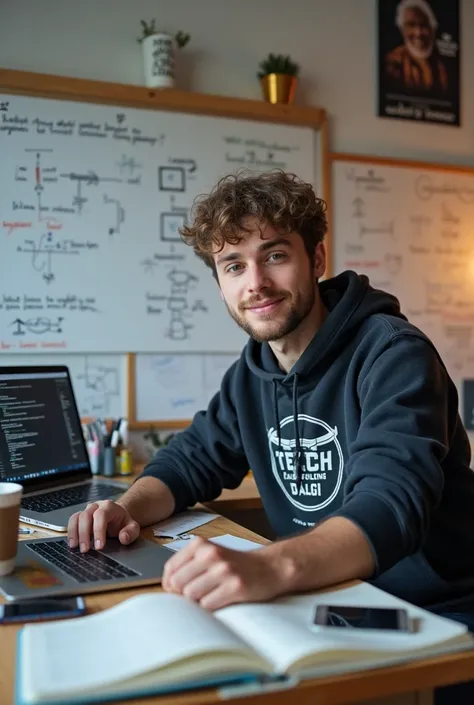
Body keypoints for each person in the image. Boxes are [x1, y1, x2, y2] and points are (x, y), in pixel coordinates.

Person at [69, 170, 474, 702]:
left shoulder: (393, 353)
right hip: (325, 600)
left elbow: (390, 505)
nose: (254, 282)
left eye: (275, 255)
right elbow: (189, 461)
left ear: (317, 259)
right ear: (220, 283)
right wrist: (127, 507)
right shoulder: (253, 370)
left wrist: (269, 565)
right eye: (233, 266)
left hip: (432, 617)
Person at [384, 0, 448, 96]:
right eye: (411, 25)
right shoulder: (394, 62)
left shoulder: (441, 65)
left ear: (433, 29)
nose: (418, 33)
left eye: (424, 25)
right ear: (402, 29)